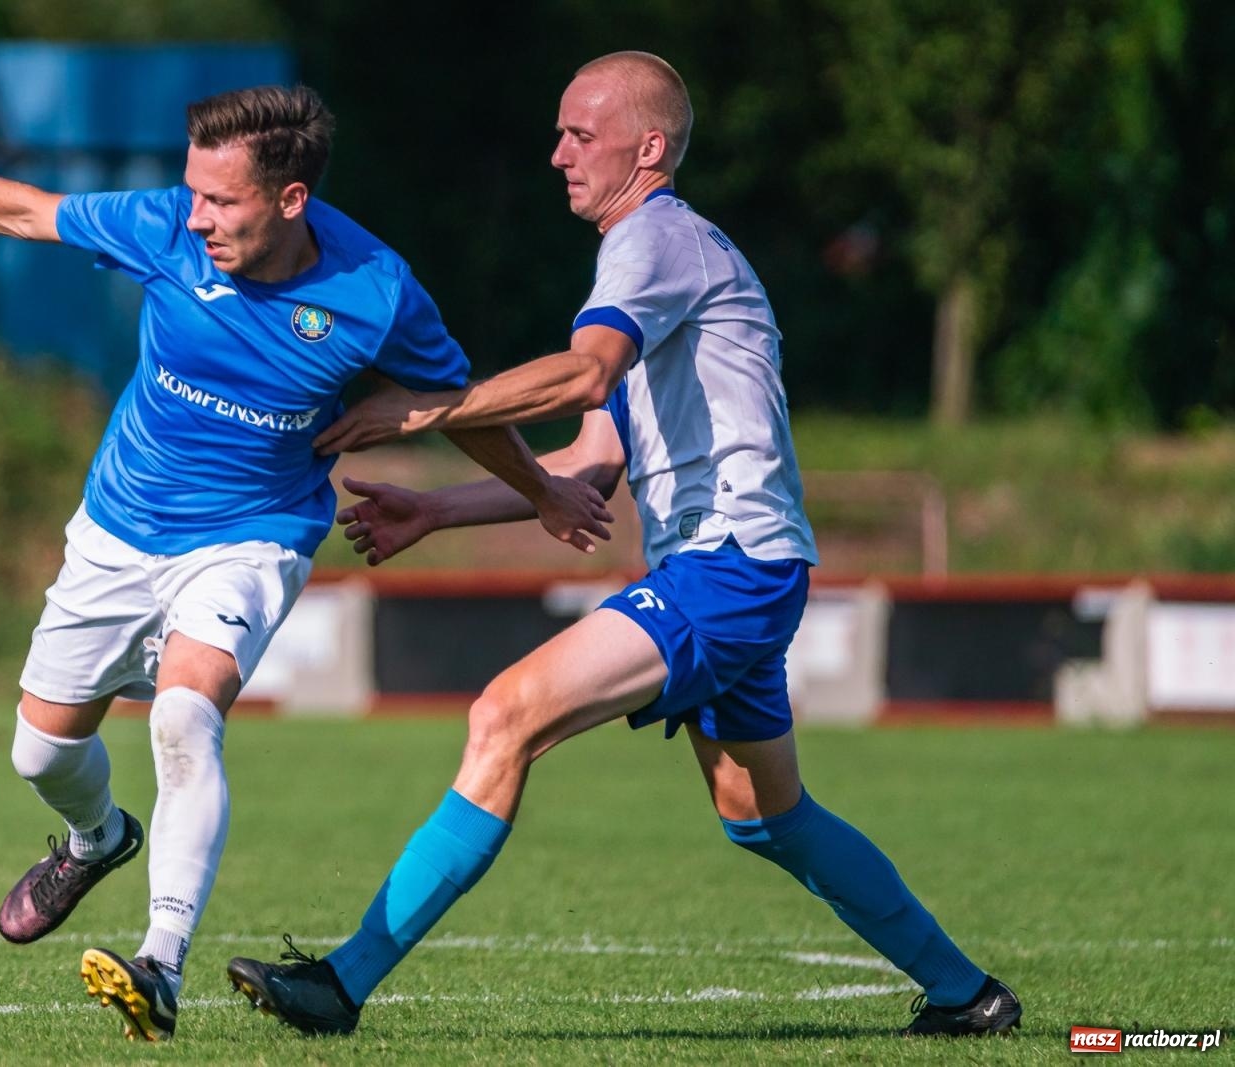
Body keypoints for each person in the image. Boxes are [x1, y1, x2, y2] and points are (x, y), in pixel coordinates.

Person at [227, 53, 1022, 1039]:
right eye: (559, 133)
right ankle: (967, 994)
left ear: (647, 148)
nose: (557, 152)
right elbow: (590, 463)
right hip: (739, 568)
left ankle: (339, 985)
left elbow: (582, 374)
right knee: (764, 815)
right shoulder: (660, 258)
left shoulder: (653, 240)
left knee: (502, 714)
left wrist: (424, 409)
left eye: (580, 134)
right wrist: (438, 509)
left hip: (726, 569)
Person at [0, 85, 611, 1043]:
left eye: (220, 201)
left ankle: (159, 962)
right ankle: (97, 838)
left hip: (254, 533)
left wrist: (542, 487)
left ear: (290, 200)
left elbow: (459, 404)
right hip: (119, 524)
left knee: (187, 716)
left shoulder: (376, 291)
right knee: (40, 750)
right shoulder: (164, 229)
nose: (197, 217)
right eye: (192, 194)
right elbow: (23, 210)